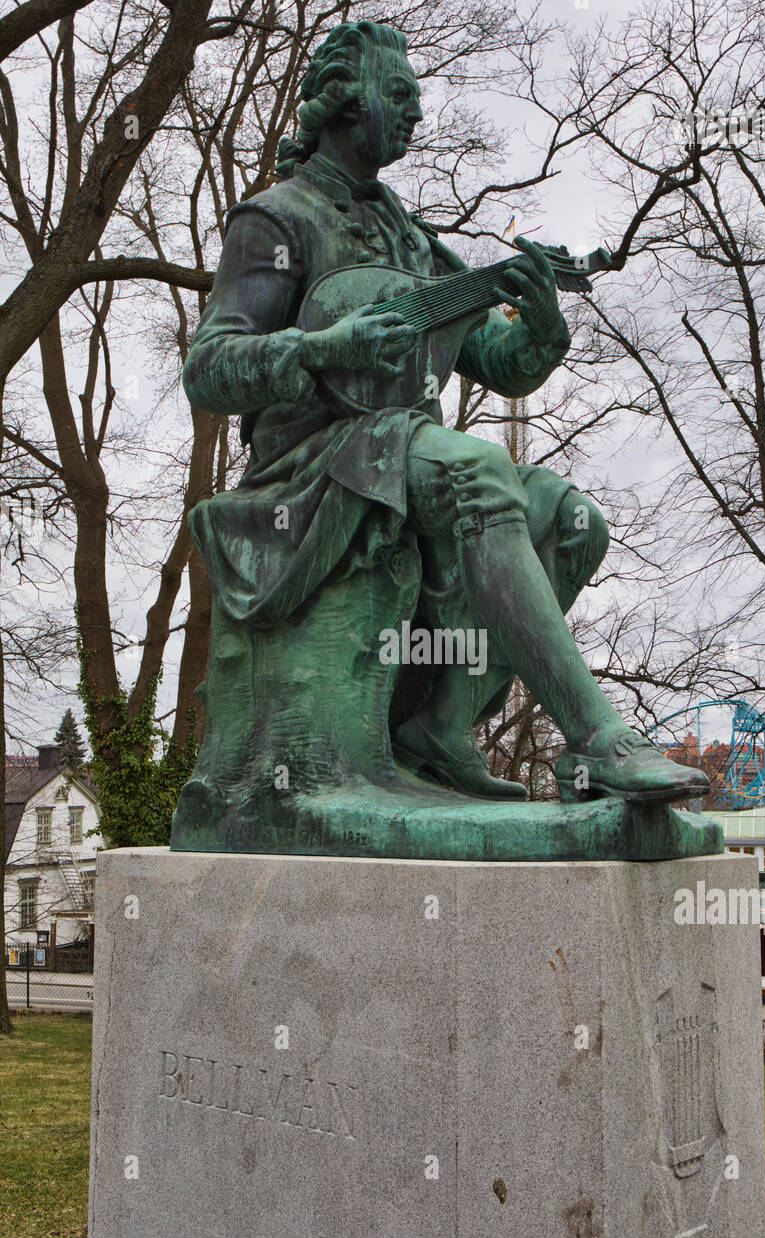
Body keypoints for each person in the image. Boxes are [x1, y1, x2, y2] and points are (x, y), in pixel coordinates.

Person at [176, 19, 707, 846]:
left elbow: (501, 361)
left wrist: (540, 327)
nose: (417, 115)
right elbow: (209, 366)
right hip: (315, 463)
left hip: (404, 448)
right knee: (480, 472)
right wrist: (321, 349)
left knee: (574, 522)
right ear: (347, 104)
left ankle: (442, 727)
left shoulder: (413, 240)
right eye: (401, 97)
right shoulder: (276, 220)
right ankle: (602, 741)